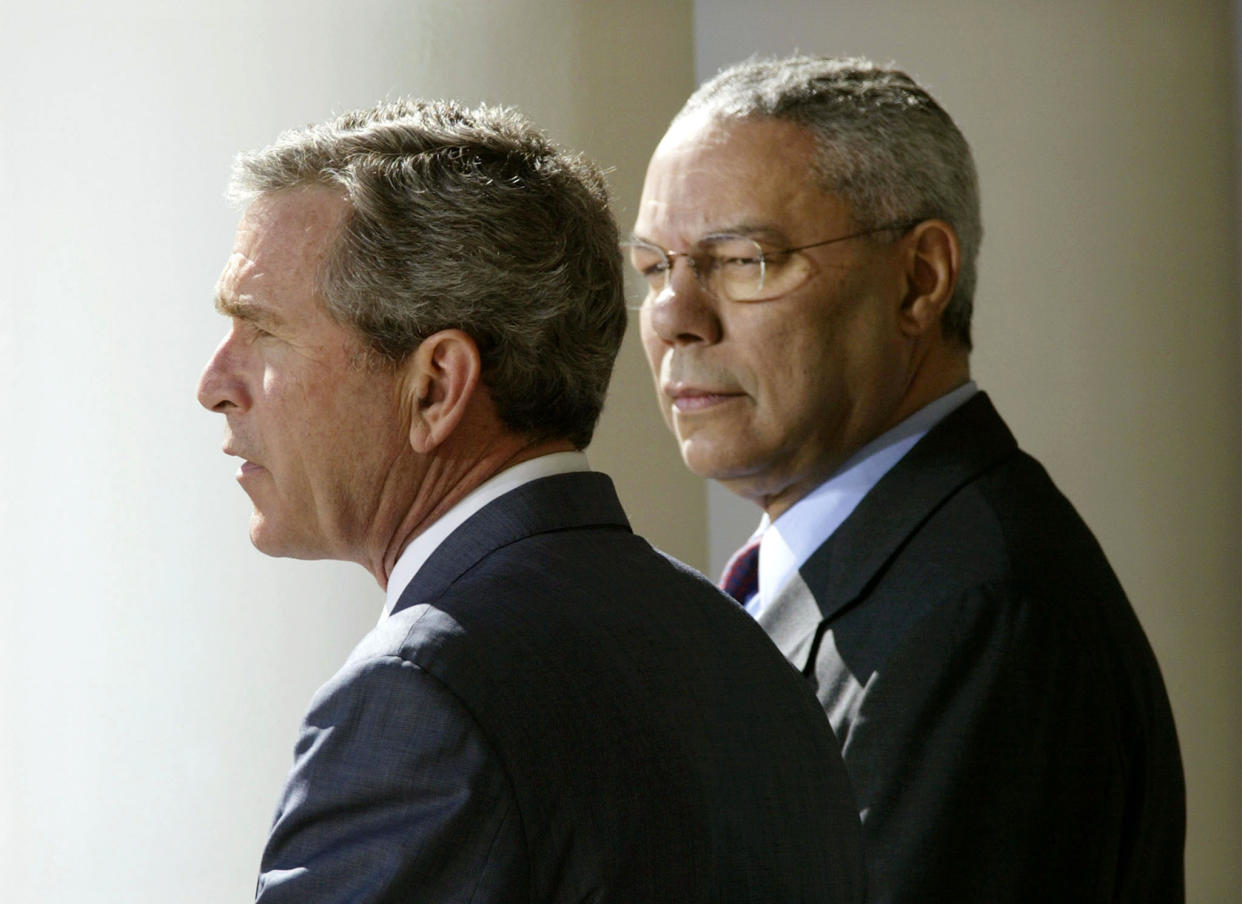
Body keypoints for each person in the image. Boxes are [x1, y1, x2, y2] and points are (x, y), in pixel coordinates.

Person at [196, 99, 865, 904]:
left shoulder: (422, 693)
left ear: (436, 386)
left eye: (263, 332)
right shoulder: (750, 660)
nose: (215, 386)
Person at [630, 55, 1184, 902]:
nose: (675, 317)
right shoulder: (859, 573)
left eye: (742, 259)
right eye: (654, 270)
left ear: (920, 280)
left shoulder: (983, 615)